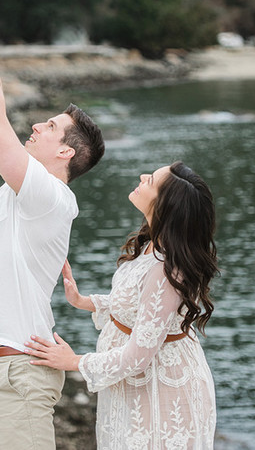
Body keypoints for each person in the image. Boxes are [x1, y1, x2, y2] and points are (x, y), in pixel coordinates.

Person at [0, 0, 105, 450]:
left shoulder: (50, 195)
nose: (36, 125)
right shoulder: (25, 191)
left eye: (50, 125)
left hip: (17, 374)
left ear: (63, 151)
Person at [25, 161, 219, 450]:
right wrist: (85, 302)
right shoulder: (151, 243)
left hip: (160, 388)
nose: (142, 176)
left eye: (150, 179)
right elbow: (140, 308)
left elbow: (138, 356)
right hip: (132, 386)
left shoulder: (168, 268)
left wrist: (73, 361)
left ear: (164, 205)